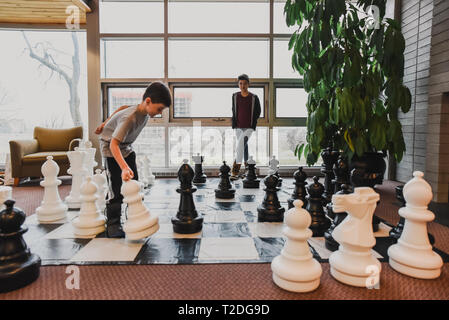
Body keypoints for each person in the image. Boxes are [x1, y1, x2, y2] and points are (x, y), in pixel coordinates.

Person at [97, 82, 172, 238]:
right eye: (159, 109)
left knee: (134, 183)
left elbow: (122, 107)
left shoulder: (141, 111)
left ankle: (133, 216)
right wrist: (123, 167)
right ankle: (113, 224)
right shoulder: (130, 118)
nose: (159, 113)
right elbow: (113, 144)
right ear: (148, 101)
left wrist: (106, 122)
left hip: (126, 148)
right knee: (116, 189)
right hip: (111, 149)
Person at [230, 74, 261, 180]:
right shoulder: (235, 96)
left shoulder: (254, 97)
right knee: (244, 147)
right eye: (240, 83)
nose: (242, 86)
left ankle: (235, 171)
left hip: (249, 127)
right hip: (238, 126)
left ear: (248, 84)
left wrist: (253, 124)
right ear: (238, 84)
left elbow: (258, 111)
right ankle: (248, 169)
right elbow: (234, 111)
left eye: (245, 84)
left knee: (240, 145)